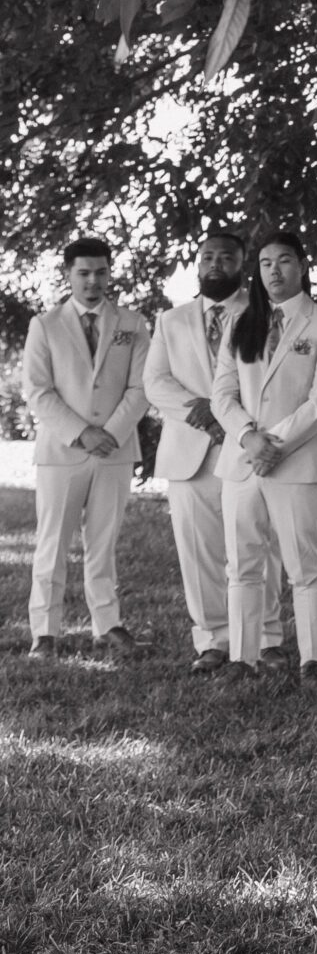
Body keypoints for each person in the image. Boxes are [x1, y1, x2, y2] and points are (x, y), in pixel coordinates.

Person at [144, 226, 285, 670]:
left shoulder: (263, 314)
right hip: (190, 449)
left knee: (259, 545)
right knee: (198, 549)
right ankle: (213, 641)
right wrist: (203, 412)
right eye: (207, 257)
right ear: (197, 263)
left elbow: (272, 381)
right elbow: (155, 382)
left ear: (242, 264)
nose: (215, 265)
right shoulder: (172, 320)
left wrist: (235, 421)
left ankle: (267, 638)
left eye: (225, 257)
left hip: (245, 447)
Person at [212, 231, 317, 680]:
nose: (275, 270)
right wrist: (250, 437)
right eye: (267, 263)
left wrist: (276, 444)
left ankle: (314, 658)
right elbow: (223, 395)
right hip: (243, 460)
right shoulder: (241, 321)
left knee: (304, 564)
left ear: (303, 266)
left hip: (297, 462)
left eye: (285, 261)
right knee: (243, 564)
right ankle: (243, 657)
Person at [22, 238, 149, 660]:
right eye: (83, 273)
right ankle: (44, 632)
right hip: (62, 452)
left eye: (100, 272)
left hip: (115, 450)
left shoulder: (133, 323)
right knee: (52, 542)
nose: (93, 281)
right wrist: (81, 432)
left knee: (103, 541)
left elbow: (141, 386)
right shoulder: (46, 324)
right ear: (68, 274)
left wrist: (109, 431)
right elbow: (38, 391)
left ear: (110, 273)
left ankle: (107, 625)